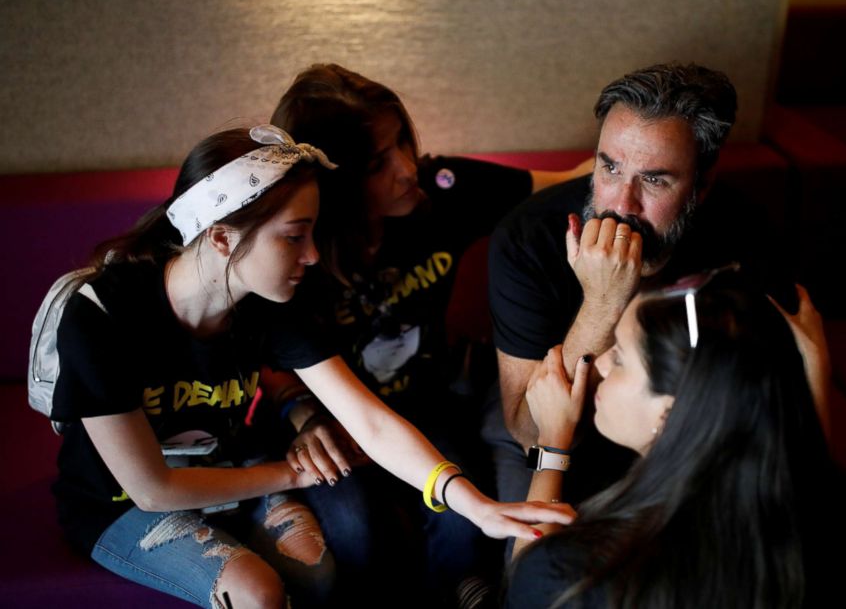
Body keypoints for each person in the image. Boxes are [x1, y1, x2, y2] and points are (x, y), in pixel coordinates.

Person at [50, 125, 573, 609]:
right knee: (255, 588)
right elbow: (152, 488)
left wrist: (476, 506)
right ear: (221, 237)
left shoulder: (268, 305)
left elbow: (370, 422)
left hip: (228, 470)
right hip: (118, 502)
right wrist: (293, 472)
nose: (315, 256)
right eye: (294, 236)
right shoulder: (101, 312)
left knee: (318, 571)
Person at [265, 63, 589, 604]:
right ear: (336, 183)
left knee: (466, 536)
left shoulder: (443, 190)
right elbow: (262, 353)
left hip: (429, 407)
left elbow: (567, 187)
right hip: (339, 420)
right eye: (378, 163)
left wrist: (641, 173)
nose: (407, 168)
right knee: (355, 532)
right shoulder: (299, 250)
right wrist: (303, 413)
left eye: (403, 145)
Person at [484, 62, 806, 511]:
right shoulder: (528, 240)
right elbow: (529, 431)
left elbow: (766, 398)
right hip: (556, 449)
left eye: (654, 180)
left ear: (703, 185)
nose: (621, 203)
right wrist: (602, 304)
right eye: (609, 167)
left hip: (677, 435)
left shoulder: (744, 232)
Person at [504, 268, 835, 608]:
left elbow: (528, 586)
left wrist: (551, 444)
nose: (601, 363)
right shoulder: (814, 524)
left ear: (670, 413)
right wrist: (813, 375)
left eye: (619, 357)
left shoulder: (575, 576)